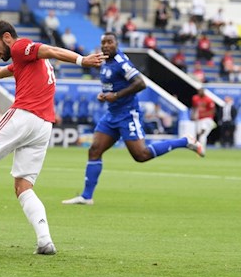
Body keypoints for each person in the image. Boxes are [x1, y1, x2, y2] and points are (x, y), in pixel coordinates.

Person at [0, 20, 107, 255]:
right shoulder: (25, 60)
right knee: (23, 186)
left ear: (8, 37)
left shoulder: (20, 46)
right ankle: (45, 241)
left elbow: (50, 50)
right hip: (43, 126)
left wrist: (81, 60)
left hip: (24, 115)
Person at [62, 32, 205, 206]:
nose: (106, 45)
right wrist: (105, 95)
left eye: (110, 42)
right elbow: (112, 85)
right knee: (94, 150)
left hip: (128, 114)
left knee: (141, 155)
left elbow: (140, 83)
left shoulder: (121, 63)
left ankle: (184, 141)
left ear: (117, 43)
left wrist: (116, 95)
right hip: (112, 114)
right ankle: (86, 196)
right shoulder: (105, 62)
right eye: (103, 43)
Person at [191, 87, 216, 152]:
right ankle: (198, 147)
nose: (200, 93)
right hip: (199, 119)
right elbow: (194, 107)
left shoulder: (208, 100)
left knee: (203, 134)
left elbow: (212, 111)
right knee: (198, 134)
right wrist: (193, 115)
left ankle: (202, 149)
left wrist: (202, 114)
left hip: (207, 119)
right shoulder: (195, 98)